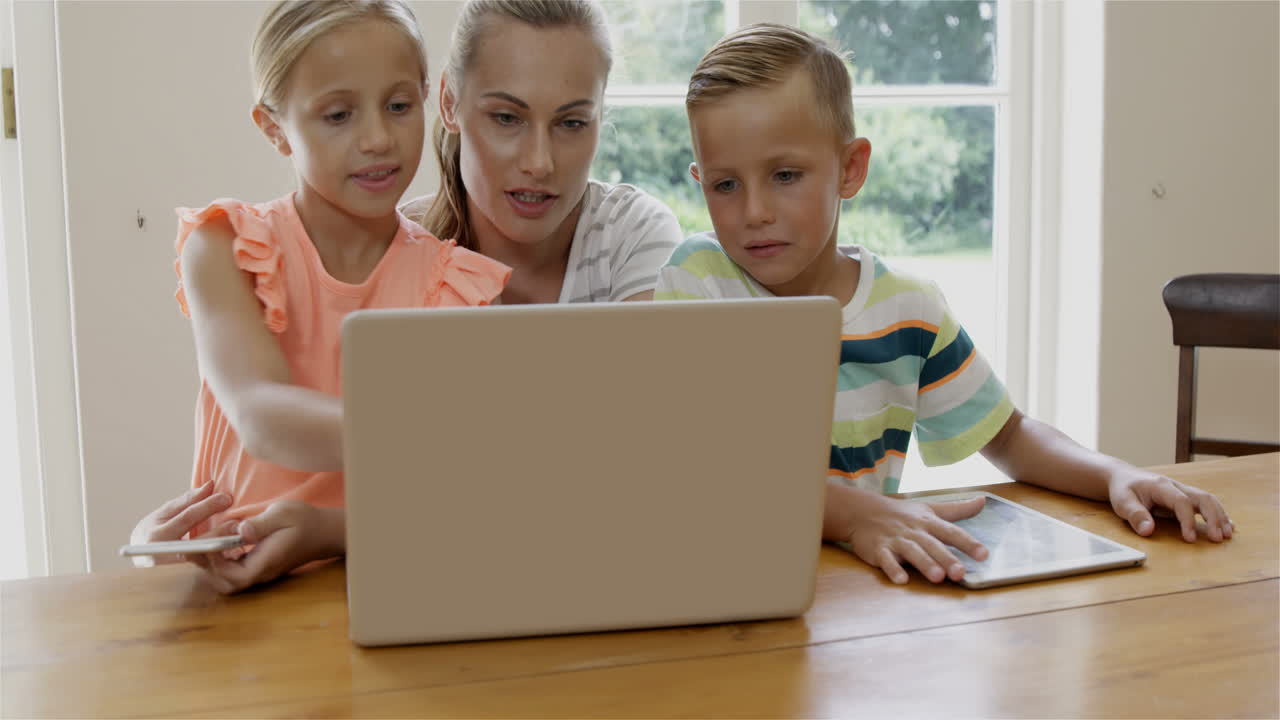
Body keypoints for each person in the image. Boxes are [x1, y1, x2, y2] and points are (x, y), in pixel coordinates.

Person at [655, 23, 1234, 586]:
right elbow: (705, 471)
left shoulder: (907, 307)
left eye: (785, 175)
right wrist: (855, 516)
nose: (754, 211)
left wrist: (1117, 473)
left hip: (869, 583)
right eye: (724, 185)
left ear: (850, 168)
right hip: (732, 582)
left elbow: (1009, 437)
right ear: (699, 180)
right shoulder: (697, 282)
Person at [129, 0, 510, 594]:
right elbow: (259, 412)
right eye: (338, 115)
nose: (379, 138)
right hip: (237, 592)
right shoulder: (226, 246)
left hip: (391, 584)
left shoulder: (458, 286)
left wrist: (332, 530)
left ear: (427, 98)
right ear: (274, 127)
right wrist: (443, 434)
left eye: (399, 106)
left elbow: (458, 505)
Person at [400, 0, 682, 305]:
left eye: (571, 123)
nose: (539, 164)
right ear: (449, 102)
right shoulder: (401, 246)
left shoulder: (631, 236)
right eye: (506, 118)